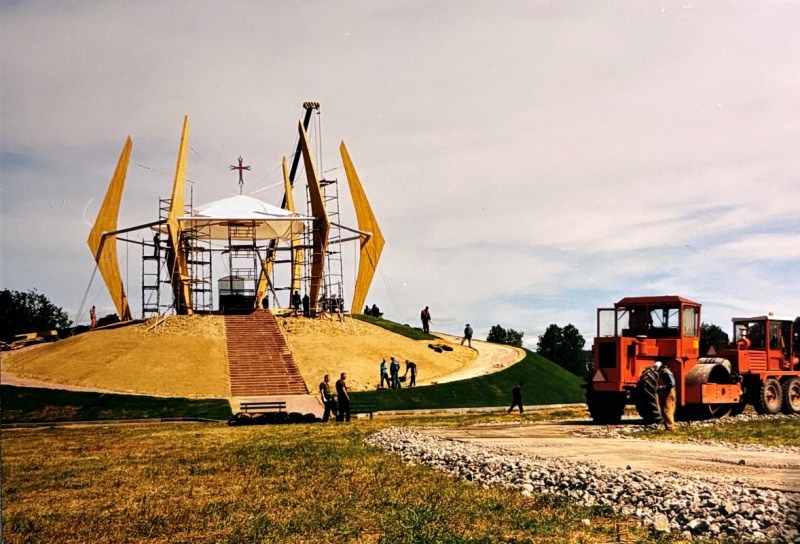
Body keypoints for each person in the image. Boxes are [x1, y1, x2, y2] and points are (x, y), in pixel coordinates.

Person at [655, 362, 676, 431]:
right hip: (667, 392)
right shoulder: (665, 373)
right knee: (665, 410)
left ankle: (670, 428)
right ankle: (668, 427)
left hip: (669, 392)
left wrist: (662, 387)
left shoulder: (667, 373)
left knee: (667, 410)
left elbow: (671, 384)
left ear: (662, 367)